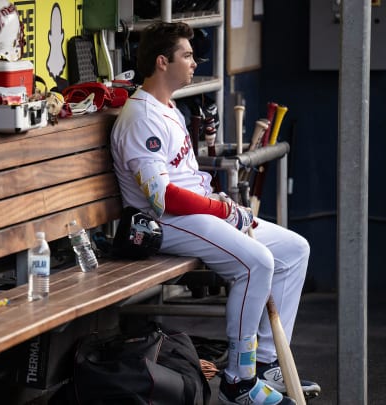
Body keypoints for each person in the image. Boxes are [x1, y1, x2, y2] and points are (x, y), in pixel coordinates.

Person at [110, 22, 321, 405]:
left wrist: (221, 205)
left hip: (197, 215)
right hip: (162, 224)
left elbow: (187, 184)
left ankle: (267, 362)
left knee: (294, 250)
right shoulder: (141, 117)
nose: (194, 62)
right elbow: (163, 198)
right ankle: (239, 381)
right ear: (162, 62)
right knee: (256, 262)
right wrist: (220, 207)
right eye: (187, 55)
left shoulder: (167, 107)